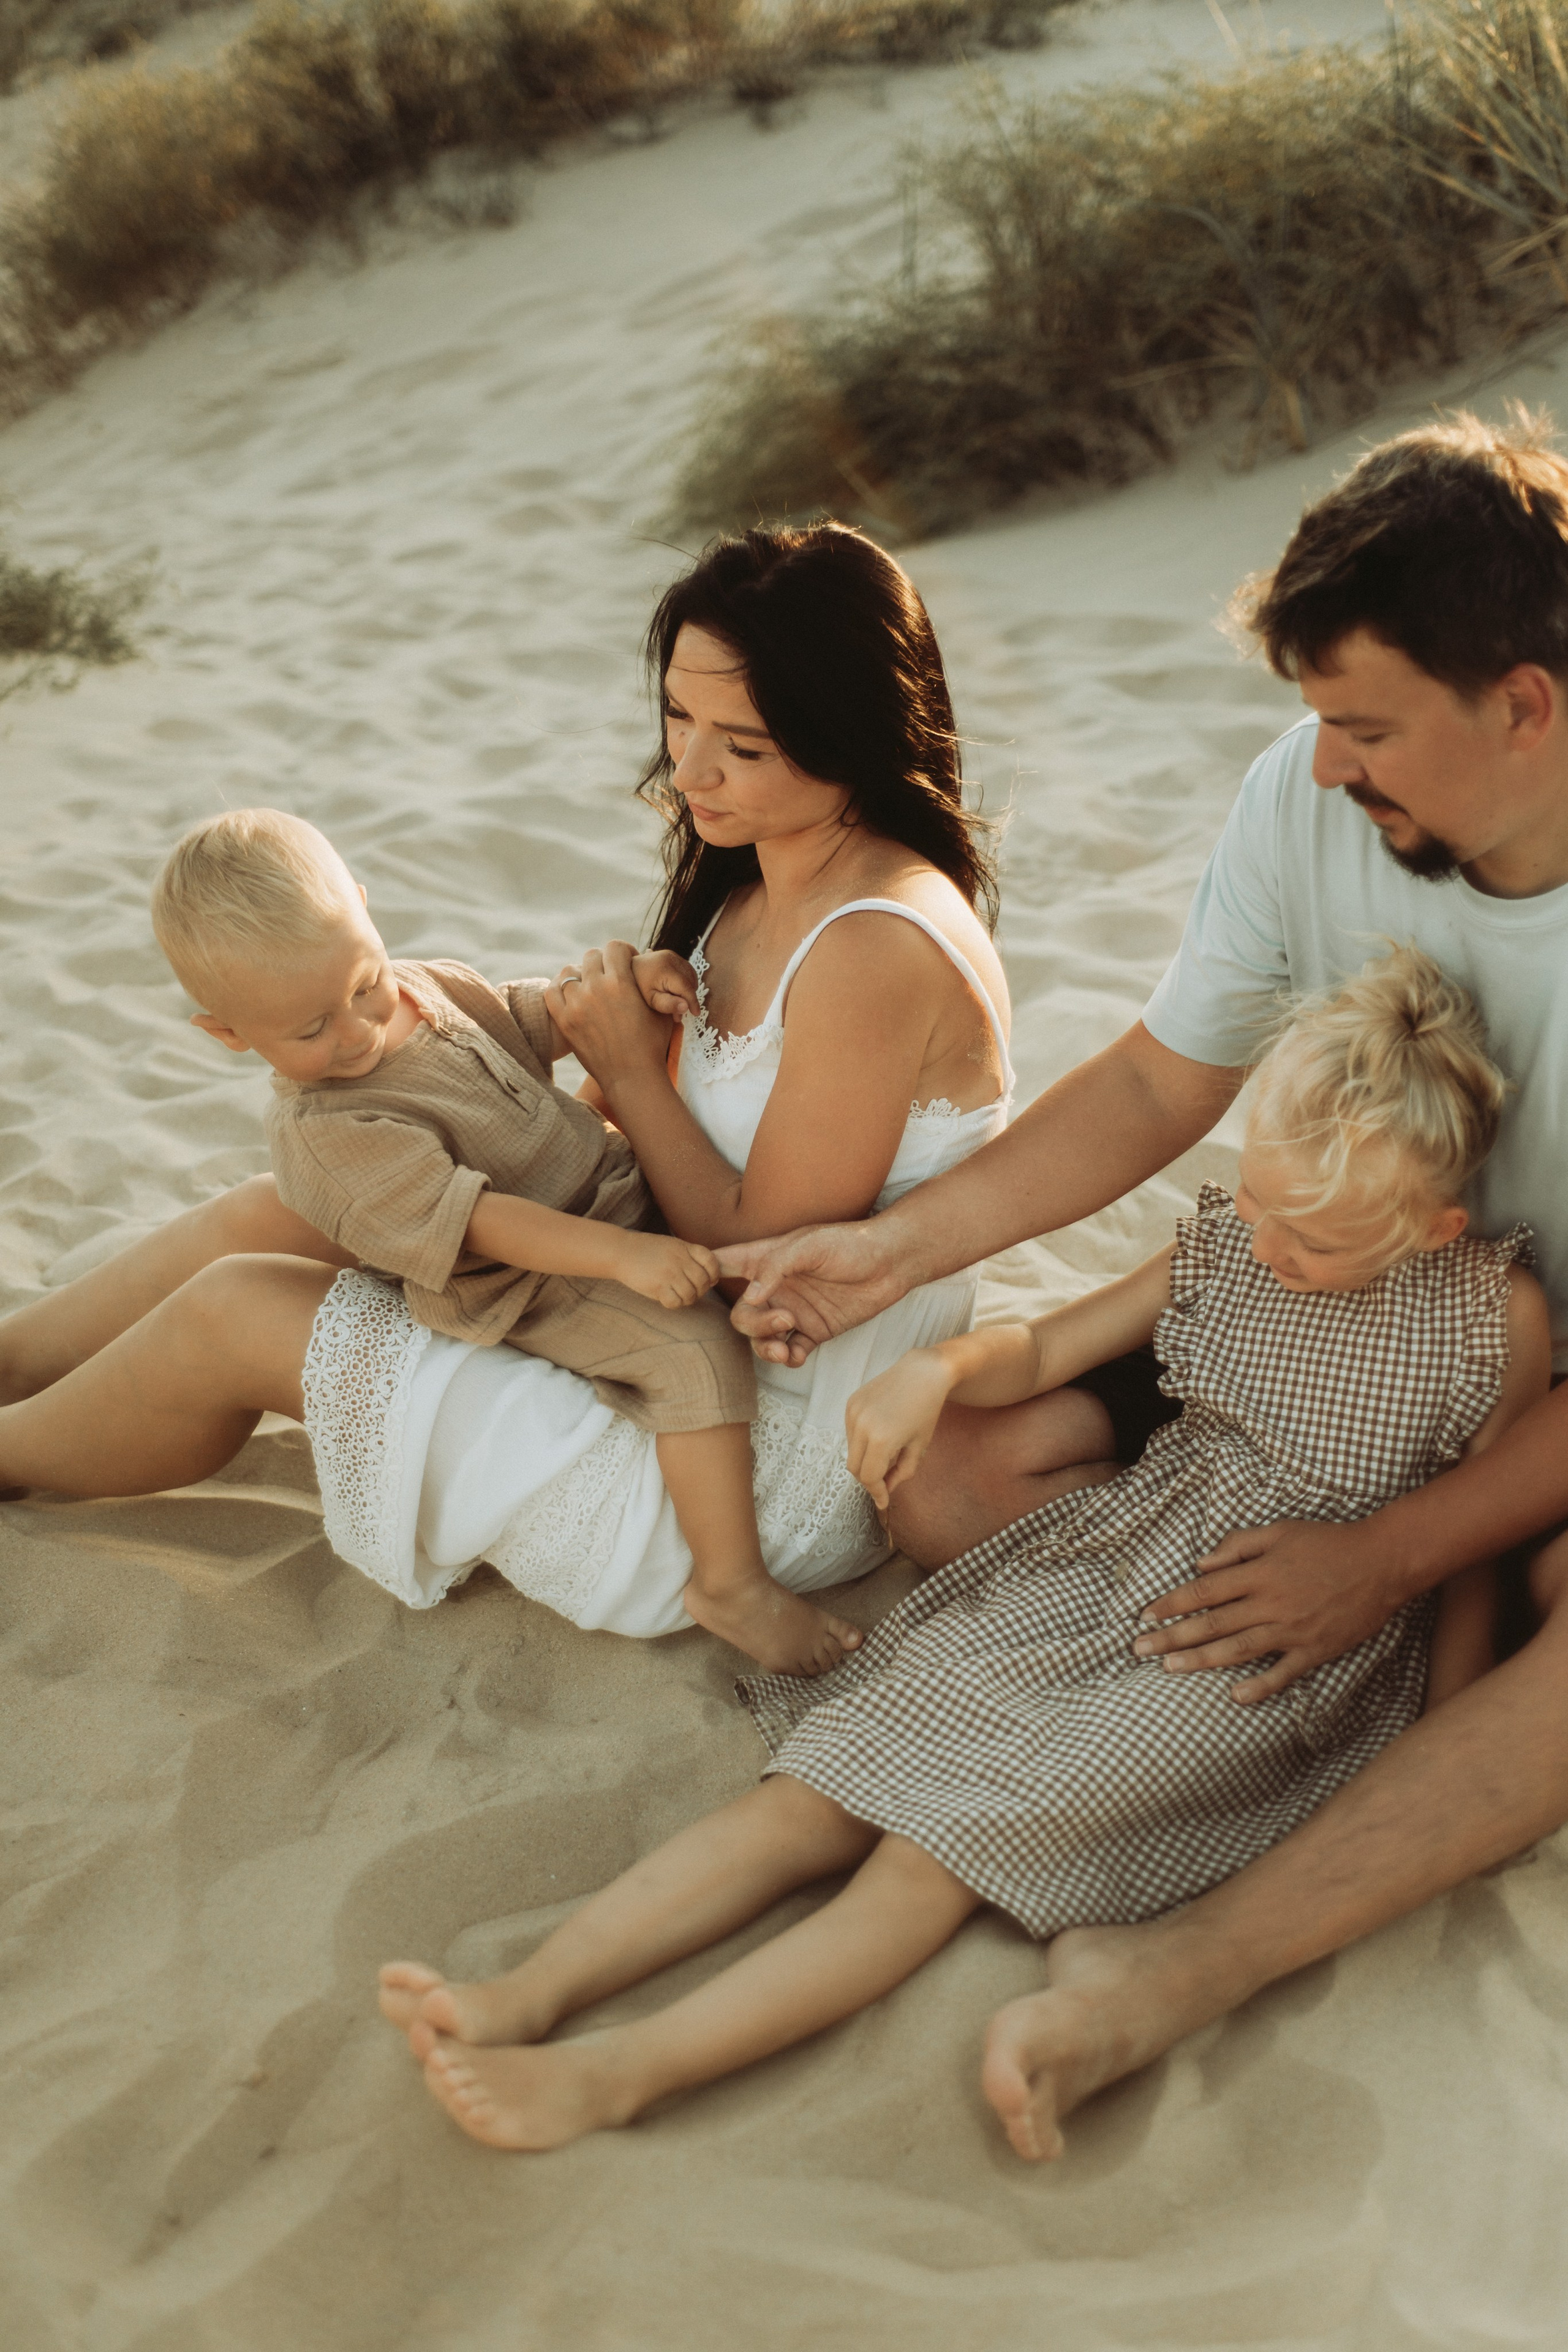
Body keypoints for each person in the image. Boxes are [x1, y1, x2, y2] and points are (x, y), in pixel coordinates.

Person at [718, 412, 1568, 2158]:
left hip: (1526, 1368)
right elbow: (1161, 1086)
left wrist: (1385, 1557)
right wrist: (900, 1249)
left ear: (1526, 705)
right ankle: (1245, 1699)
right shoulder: (1308, 790)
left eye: (1365, 727)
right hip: (1322, 1300)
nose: (1324, 768)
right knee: (954, 1468)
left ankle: (1182, 1962)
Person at [377, 948, 1548, 2153]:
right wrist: (937, 1369)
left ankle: (622, 2073)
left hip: (1248, 1649)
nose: (1261, 1239)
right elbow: (1047, 1348)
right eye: (1250, 1196)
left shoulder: (1489, 1325)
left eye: (1303, 1234)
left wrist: (1434, 1728)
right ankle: (533, 1992)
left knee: (923, 1862)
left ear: (1432, 1225)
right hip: (1117, 1562)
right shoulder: (1231, 1246)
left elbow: (1469, 1540)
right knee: (814, 1795)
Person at [0, 522, 1011, 1653]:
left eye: (745, 743)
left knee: (235, 1308)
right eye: (678, 716)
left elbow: (757, 1252)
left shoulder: (875, 946)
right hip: (651, 1315)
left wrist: (626, 1066)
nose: (688, 769)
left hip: (745, 1442)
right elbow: (609, 1146)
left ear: (849, 738)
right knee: (278, 1211)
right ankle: (12, 1362)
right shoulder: (758, 886)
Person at [149, 805, 860, 1676]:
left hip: (608, 1195)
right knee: (696, 1350)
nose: (359, 1029)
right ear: (226, 1032)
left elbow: (531, 1018)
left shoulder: (423, 989)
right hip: (529, 1279)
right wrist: (622, 1257)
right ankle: (732, 1586)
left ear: (367, 915)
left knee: (736, 1262)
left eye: (363, 984)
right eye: (310, 1030)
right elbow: (479, 1218)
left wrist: (634, 985)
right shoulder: (332, 1131)